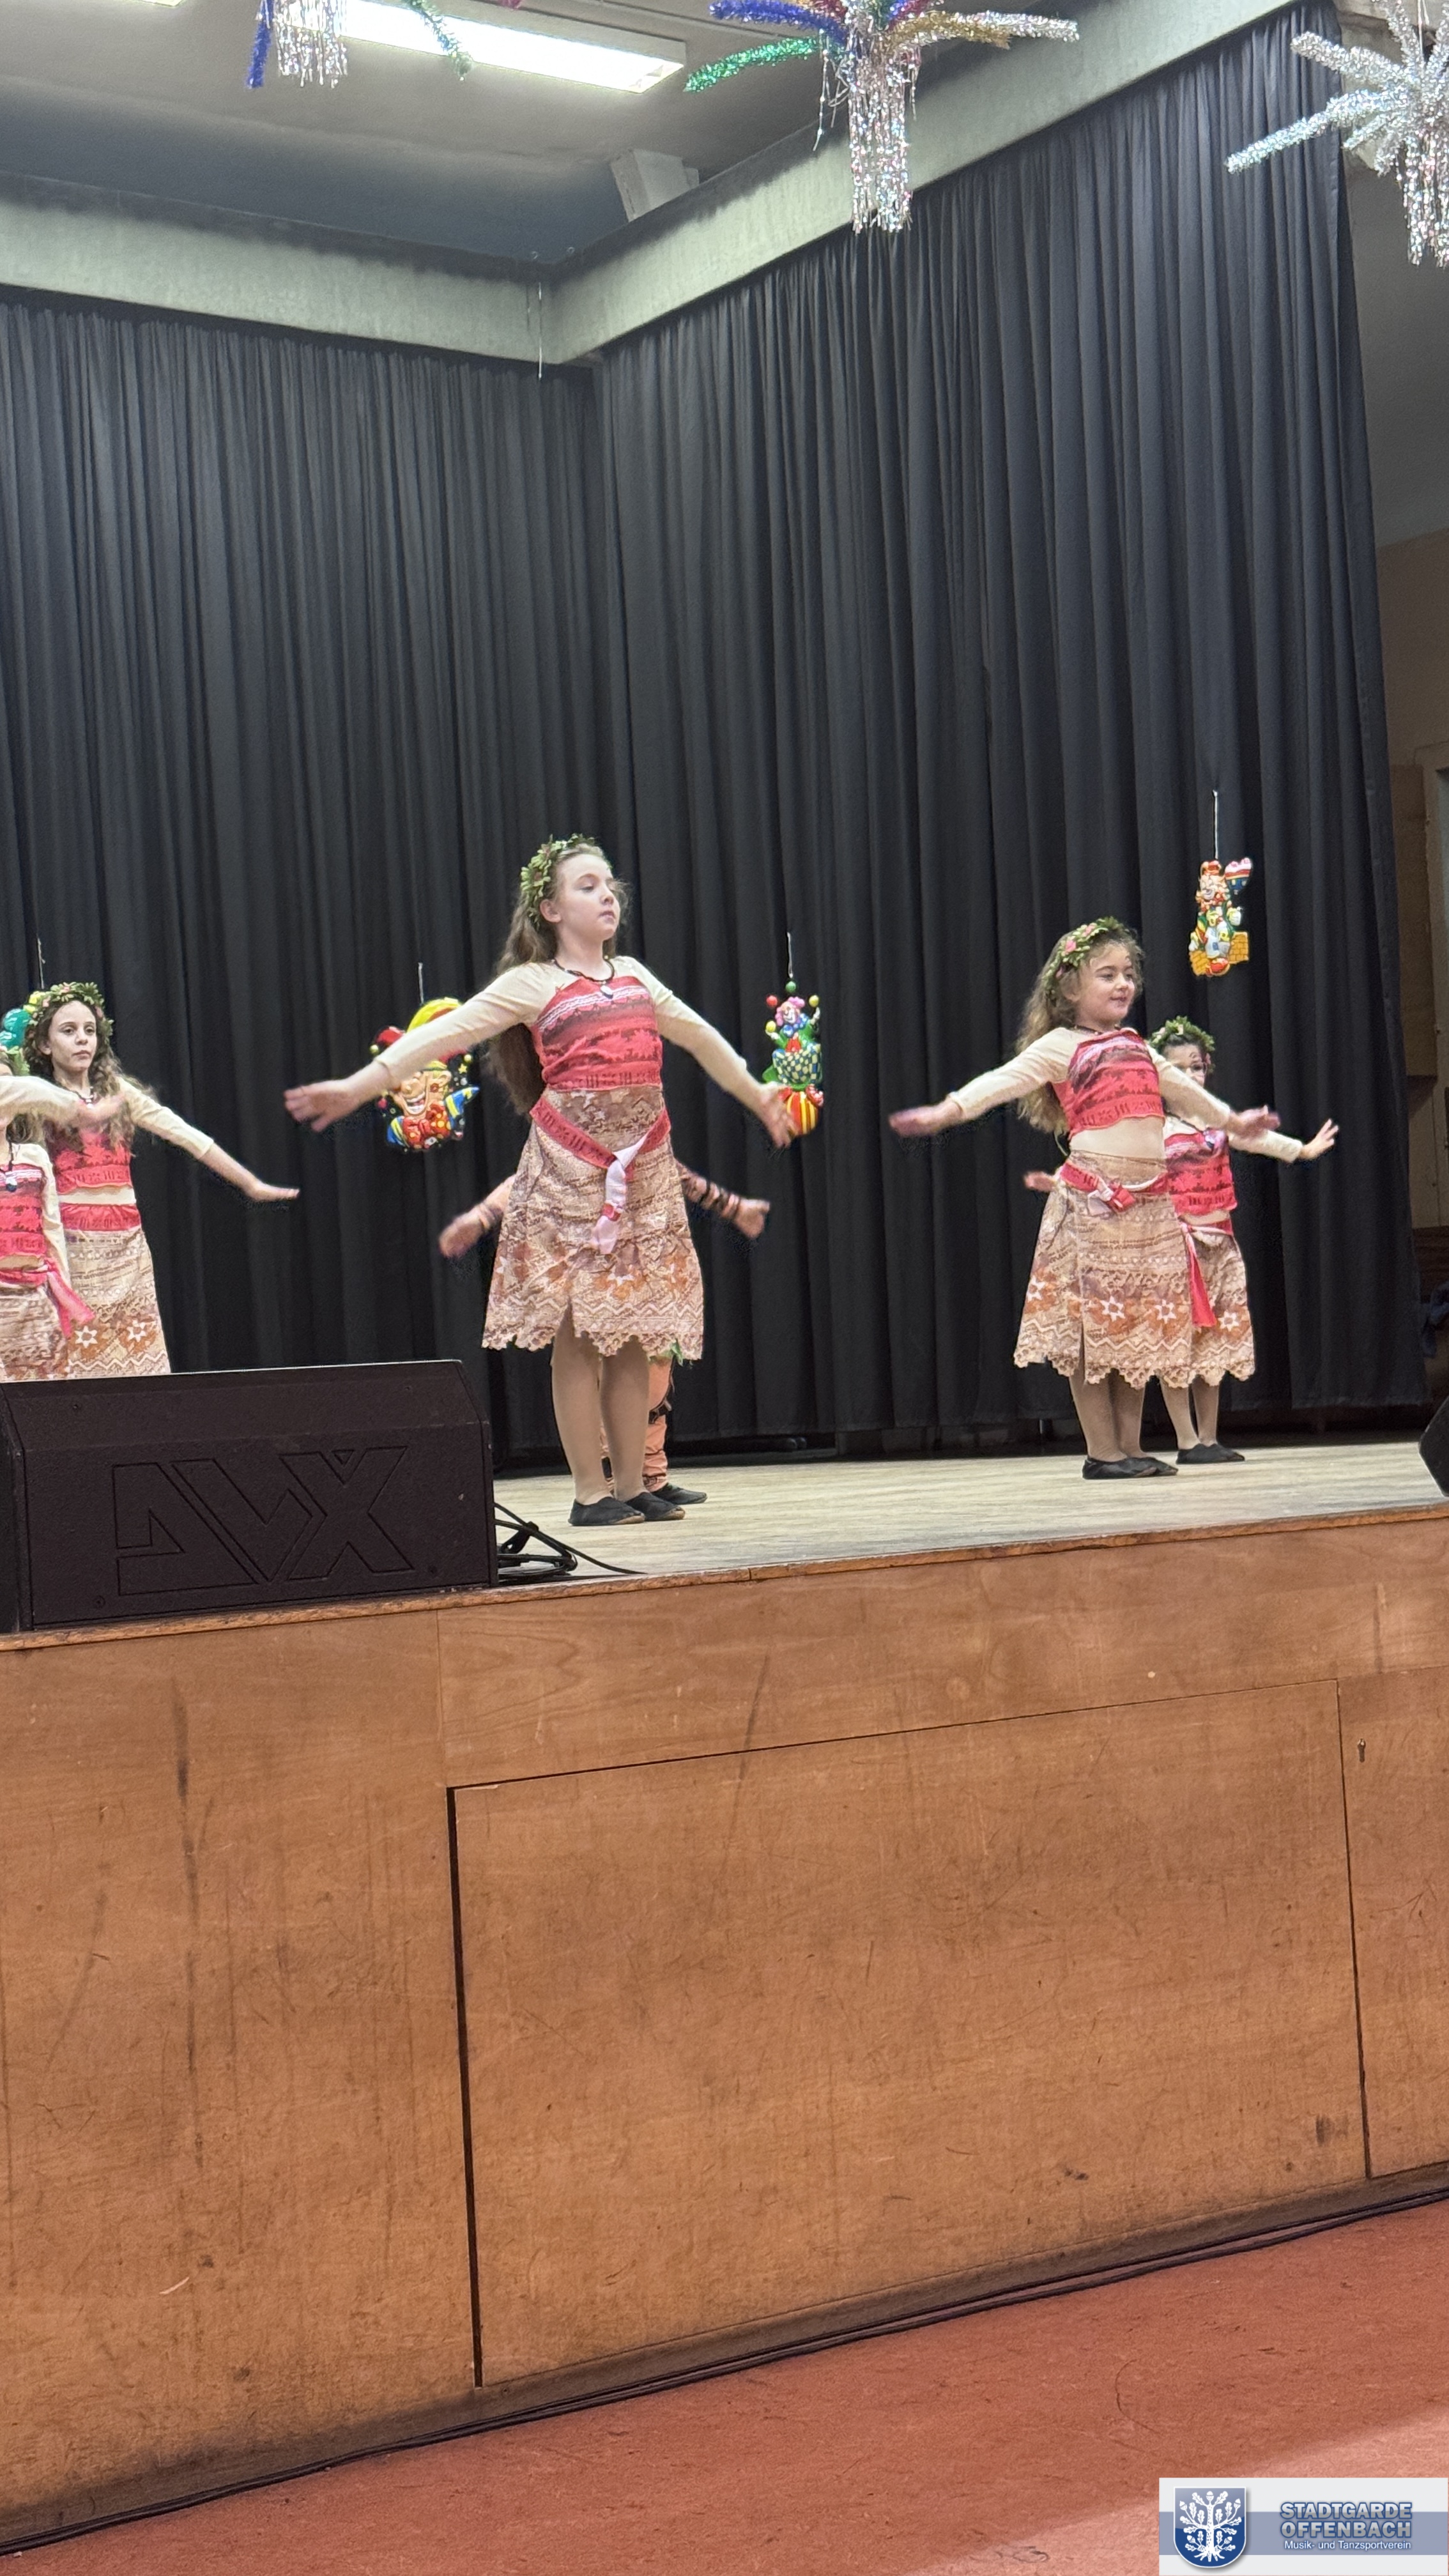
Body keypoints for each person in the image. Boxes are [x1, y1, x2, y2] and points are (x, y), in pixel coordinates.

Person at [286, 836, 794, 1527]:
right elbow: (444, 1036)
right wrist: (358, 1086)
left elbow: (701, 1037)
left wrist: (757, 1092)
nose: (607, 894)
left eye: (609, 884)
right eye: (587, 886)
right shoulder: (533, 984)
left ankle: (630, 1486)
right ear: (550, 909)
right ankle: (589, 1493)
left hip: (644, 1173)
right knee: (579, 1334)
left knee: (634, 1333)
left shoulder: (635, 977)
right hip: (569, 1175)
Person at [889, 917, 1280, 1480]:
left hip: (1150, 1208)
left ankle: (1130, 1447)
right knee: (1094, 1330)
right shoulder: (1060, 1047)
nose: (1123, 984)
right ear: (1070, 987)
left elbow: (1188, 1094)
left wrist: (1236, 1122)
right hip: (1096, 1204)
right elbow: (1001, 1081)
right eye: (1107, 974)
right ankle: (1103, 1451)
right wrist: (946, 1111)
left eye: (1129, 974)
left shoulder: (1139, 1047)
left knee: (1138, 1328)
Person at [13, 982, 297, 1377]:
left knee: (136, 1364)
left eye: (90, 1030)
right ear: (45, 1044)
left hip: (127, 1247)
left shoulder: (118, 1094)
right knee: (78, 1363)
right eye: (68, 1031)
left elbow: (186, 1135)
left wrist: (249, 1183)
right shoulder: (38, 1098)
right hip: (72, 1247)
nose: (82, 1040)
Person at [444, 1160, 770, 1504]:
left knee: (655, 1372)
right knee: (599, 1366)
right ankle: (604, 1483)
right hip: (588, 1264)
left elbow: (674, 1170)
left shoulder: (641, 1143)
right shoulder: (569, 1143)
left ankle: (649, 1477)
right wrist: (481, 1218)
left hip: (640, 1259)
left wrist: (734, 1207)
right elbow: (528, 1175)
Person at [1148, 1016, 1337, 1462]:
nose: (1191, 1077)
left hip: (1220, 1245)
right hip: (1177, 1250)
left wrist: (1301, 1150)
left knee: (1213, 1344)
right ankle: (1186, 1441)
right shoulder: (1154, 1130)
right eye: (1179, 1070)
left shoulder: (1217, 1122)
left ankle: (1209, 1439)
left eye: (1197, 1067)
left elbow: (1257, 1138)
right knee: (1176, 1345)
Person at [0, 1103, 91, 1379]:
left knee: (45, 1391)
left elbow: (52, 1228)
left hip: (34, 1294)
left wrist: (65, 1292)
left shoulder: (34, 1156)